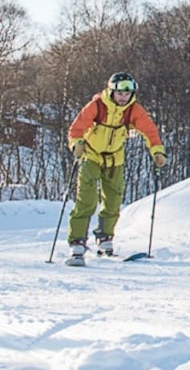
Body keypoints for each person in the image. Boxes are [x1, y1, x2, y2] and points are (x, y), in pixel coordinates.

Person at [65, 72, 167, 265]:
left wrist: (157, 152)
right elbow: (76, 128)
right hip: (91, 157)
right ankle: (77, 241)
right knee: (87, 200)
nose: (123, 97)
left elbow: (150, 131)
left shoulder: (133, 110)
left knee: (113, 201)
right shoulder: (96, 106)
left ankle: (105, 237)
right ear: (112, 91)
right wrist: (76, 144)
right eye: (120, 93)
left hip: (115, 160)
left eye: (127, 93)